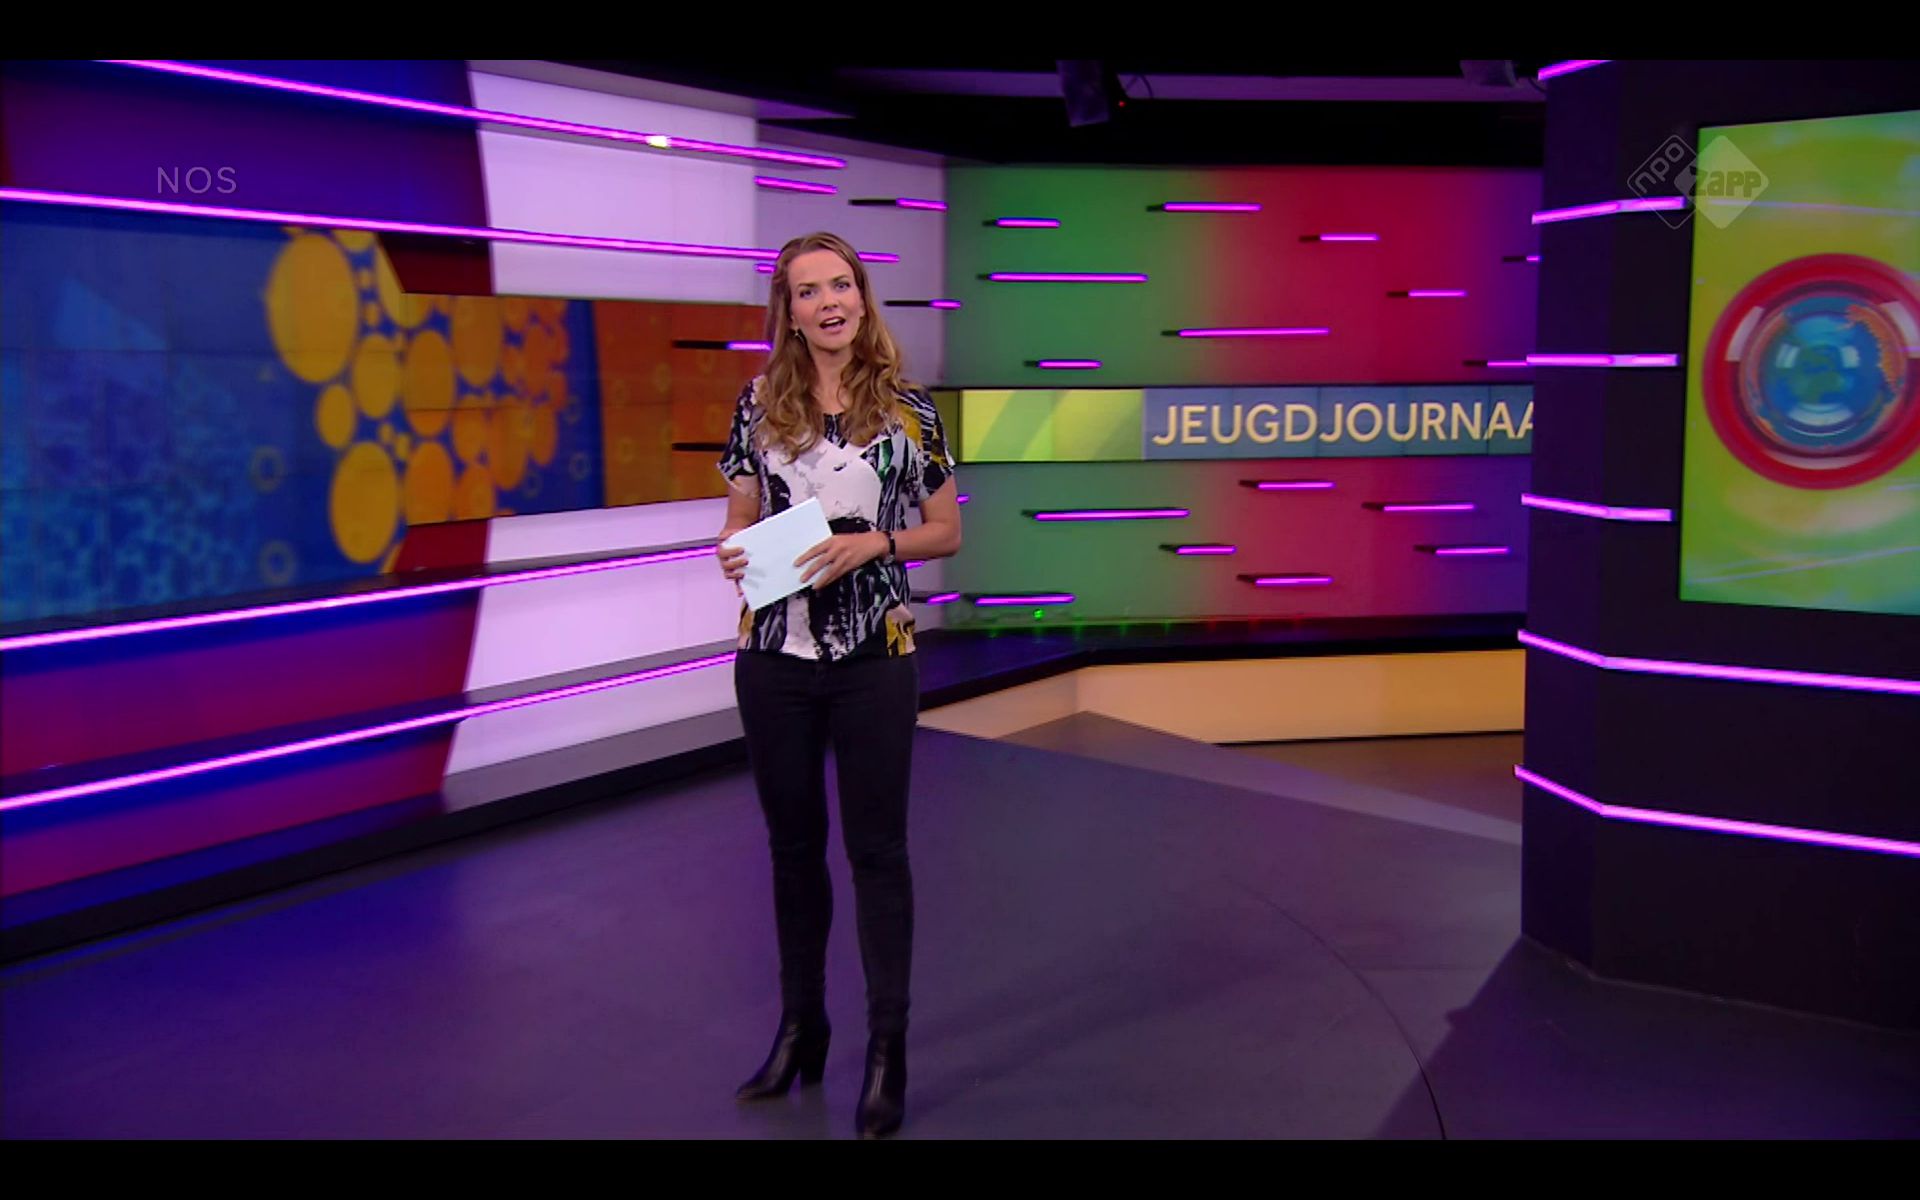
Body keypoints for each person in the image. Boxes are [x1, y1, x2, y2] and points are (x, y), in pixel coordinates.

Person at [715, 231, 962, 1139]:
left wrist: (876, 545)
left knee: (877, 854)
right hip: (773, 657)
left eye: (842, 284)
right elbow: (740, 515)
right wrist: (730, 550)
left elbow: (946, 530)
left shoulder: (909, 410)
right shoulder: (758, 403)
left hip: (875, 658)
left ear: (862, 296)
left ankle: (887, 1050)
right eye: (810, 290)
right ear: (788, 310)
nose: (830, 302)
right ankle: (800, 1031)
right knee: (791, 851)